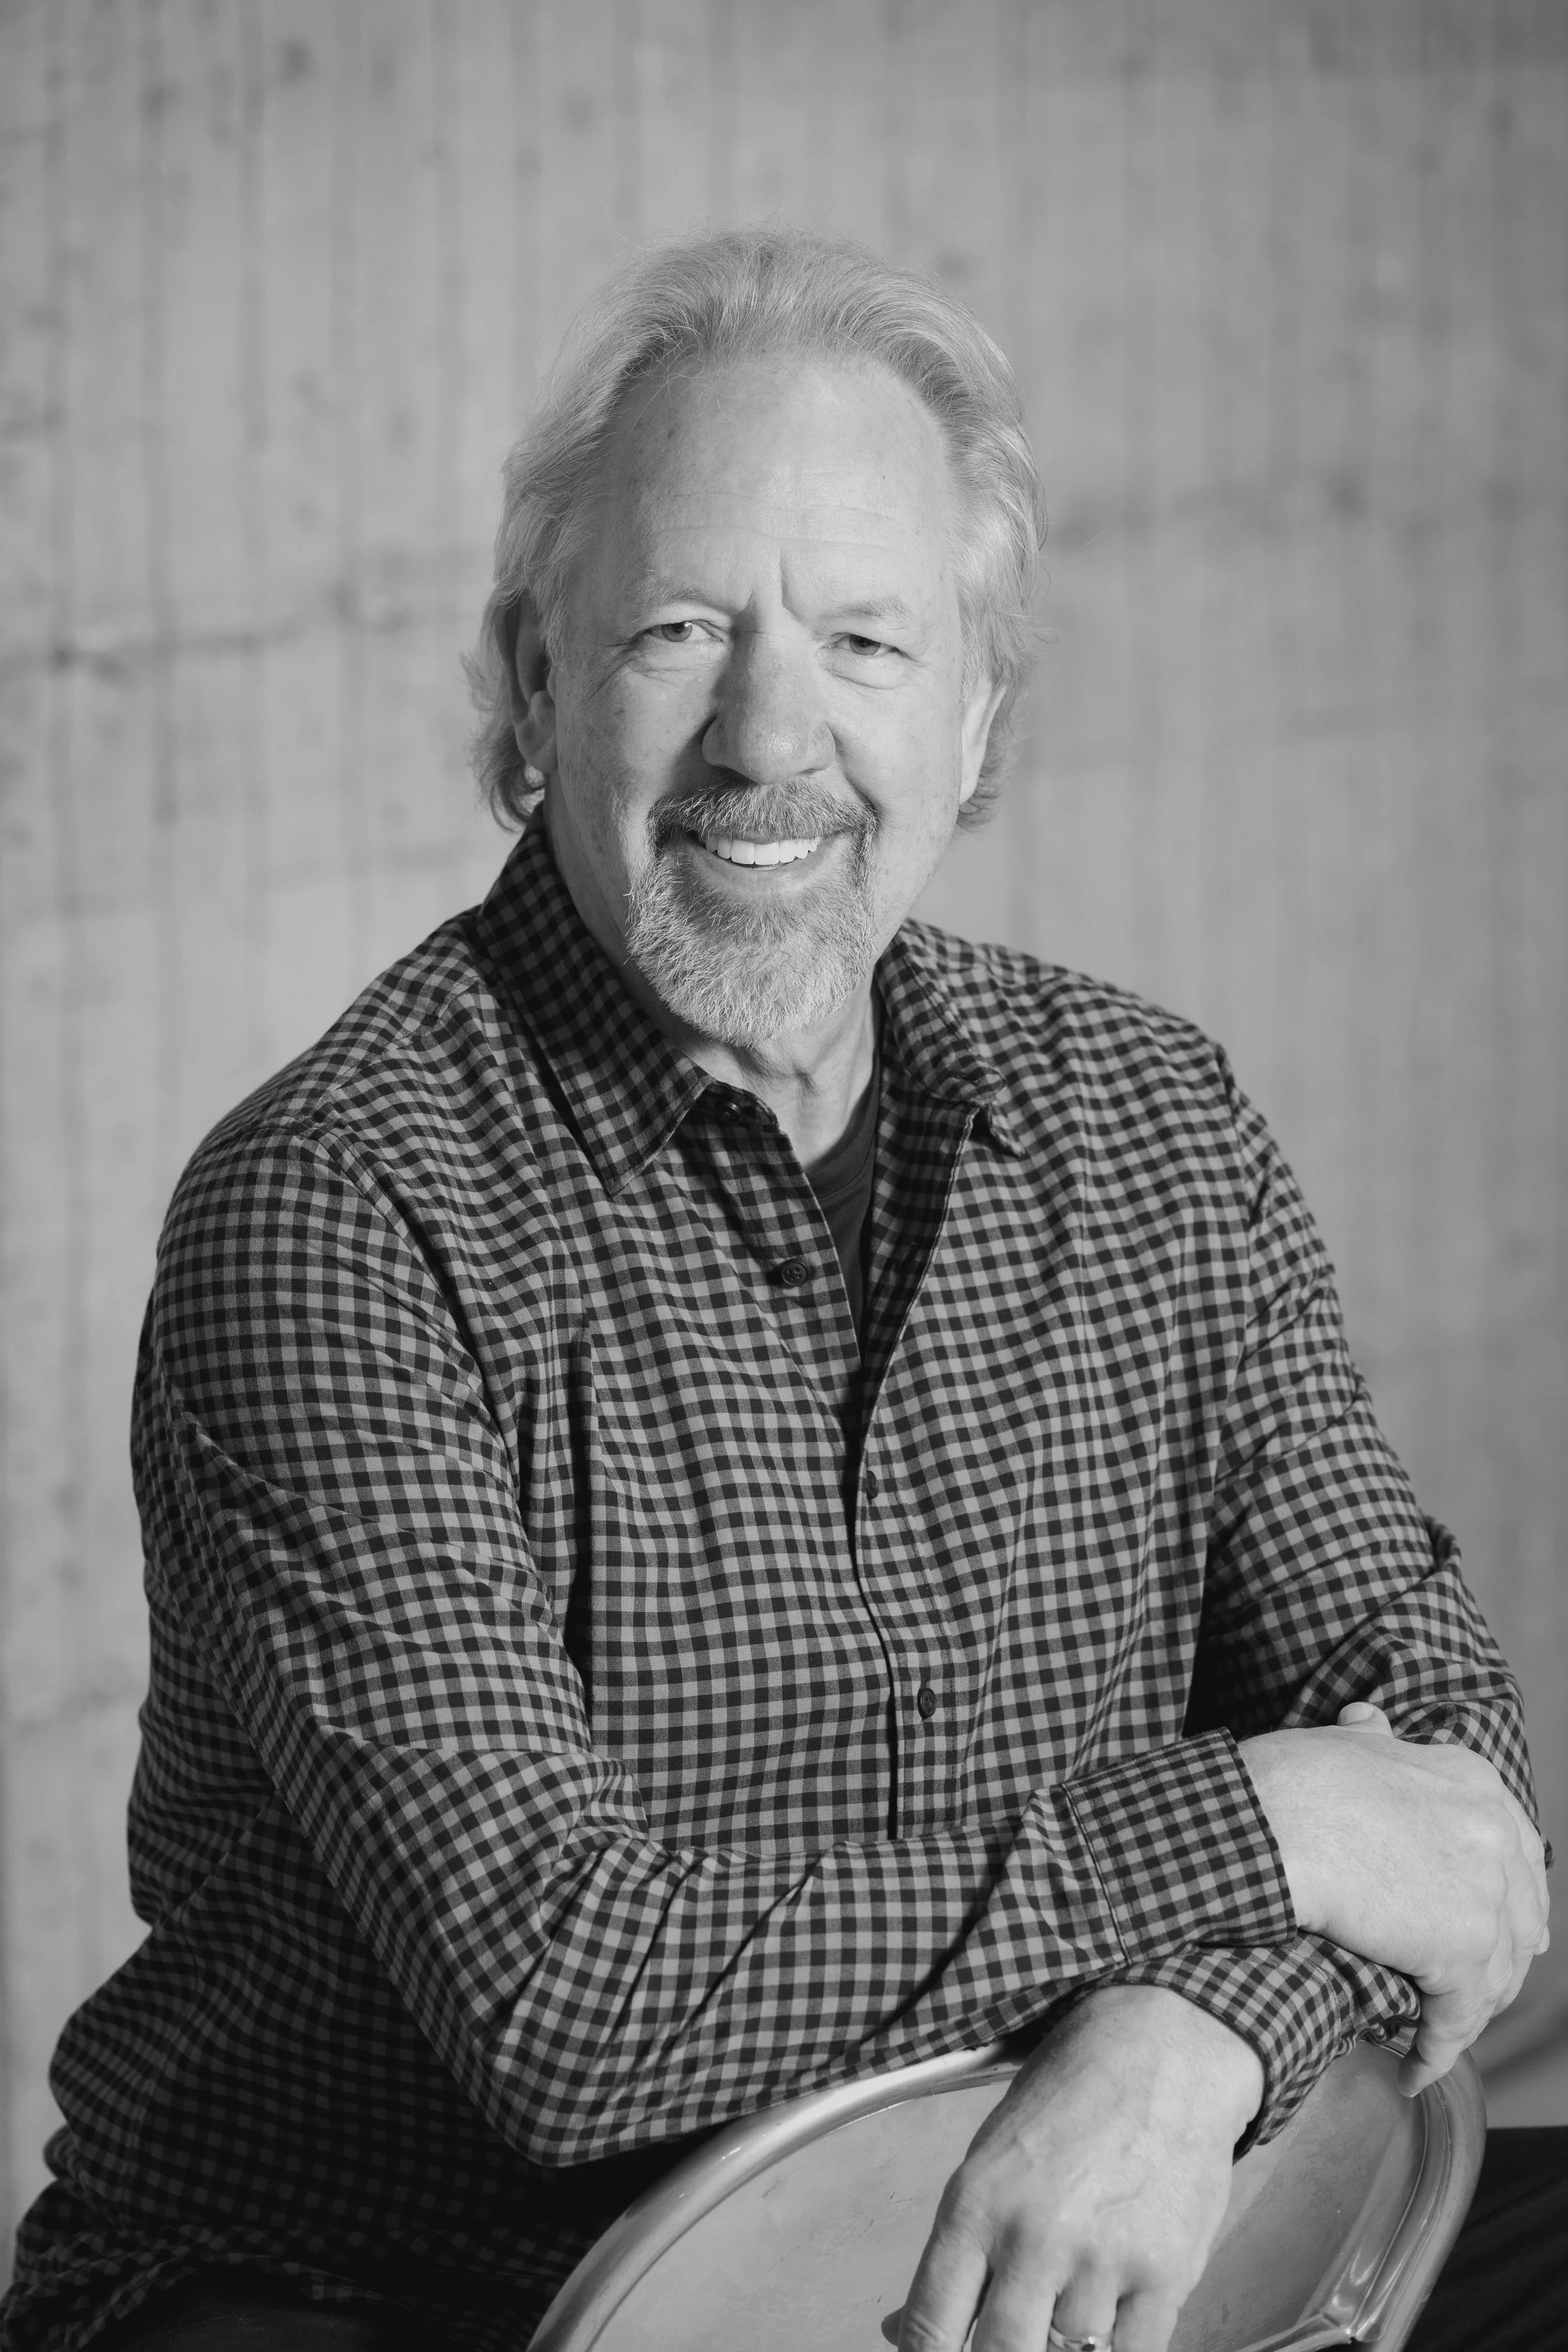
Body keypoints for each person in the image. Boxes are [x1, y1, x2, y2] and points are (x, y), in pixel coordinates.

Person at [1, 227, 1555, 2352]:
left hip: (1000, 2225)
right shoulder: (340, 1211)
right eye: (678, 630)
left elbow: (1449, 1771)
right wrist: (1257, 1828)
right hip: (408, 2282)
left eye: (865, 642)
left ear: (981, 704)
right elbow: (572, 2002)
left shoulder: (1154, 1122)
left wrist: (1194, 2034)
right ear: (535, 685)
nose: (770, 737)